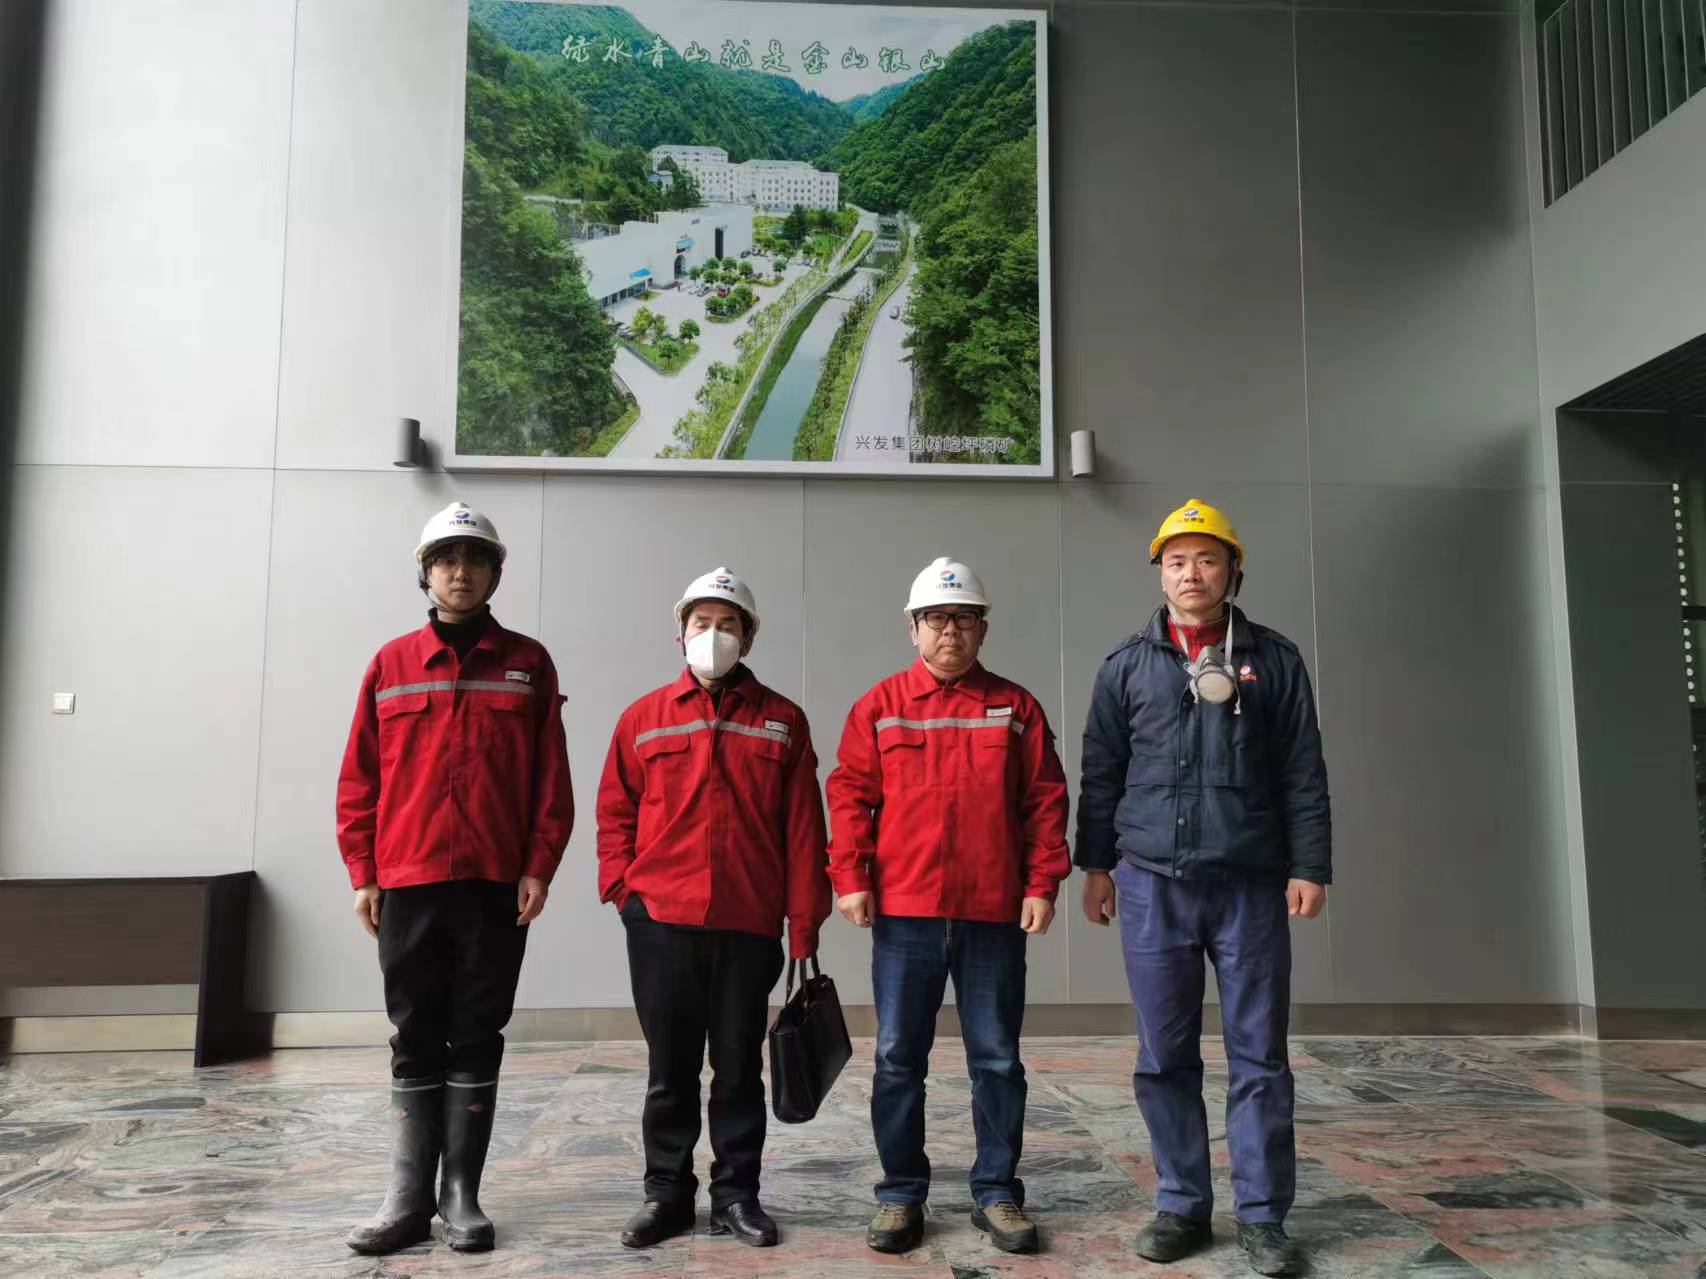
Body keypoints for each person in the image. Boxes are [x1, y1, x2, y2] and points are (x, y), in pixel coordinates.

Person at [1076, 500, 1331, 1278]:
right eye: (1177, 560)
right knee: (1164, 1054)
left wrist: (1310, 865)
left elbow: (1303, 769)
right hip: (1152, 884)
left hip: (1250, 884)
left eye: (1208, 559)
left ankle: (1263, 1216)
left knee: (1260, 1054)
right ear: (1160, 572)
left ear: (1233, 570)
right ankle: (1182, 1204)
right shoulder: (1126, 665)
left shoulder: (1274, 660)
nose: (1192, 573)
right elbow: (1101, 773)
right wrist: (1096, 867)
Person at [338, 500, 573, 1255]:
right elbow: (359, 778)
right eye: (446, 560)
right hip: (407, 881)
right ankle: (406, 1199)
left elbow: (550, 779)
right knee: (414, 1032)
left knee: (476, 1032)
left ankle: (461, 1196)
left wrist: (539, 864)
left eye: (474, 560)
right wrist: (363, 871)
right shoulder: (390, 664)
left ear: (495, 573)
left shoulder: (528, 663)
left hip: (492, 883)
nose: (460, 573)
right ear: (426, 573)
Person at [826, 557, 1070, 1257]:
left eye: (964, 618)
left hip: (993, 912)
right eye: (936, 618)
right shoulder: (880, 705)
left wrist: (1041, 882)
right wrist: (850, 875)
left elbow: (1045, 800)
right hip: (906, 912)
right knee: (898, 1057)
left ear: (982, 628)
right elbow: (849, 794)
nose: (950, 631)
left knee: (997, 1059)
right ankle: (901, 1193)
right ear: (913, 627)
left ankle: (996, 1191)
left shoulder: (1016, 708)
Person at [596, 568, 831, 1250]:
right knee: (668, 1069)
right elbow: (615, 811)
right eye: (702, 623)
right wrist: (625, 892)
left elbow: (803, 827)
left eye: (728, 625)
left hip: (747, 924)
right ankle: (666, 1195)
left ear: (748, 637)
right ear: (681, 632)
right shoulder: (642, 718)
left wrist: (803, 921)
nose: (714, 635)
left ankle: (736, 1195)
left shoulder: (783, 720)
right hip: (660, 922)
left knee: (737, 1069)